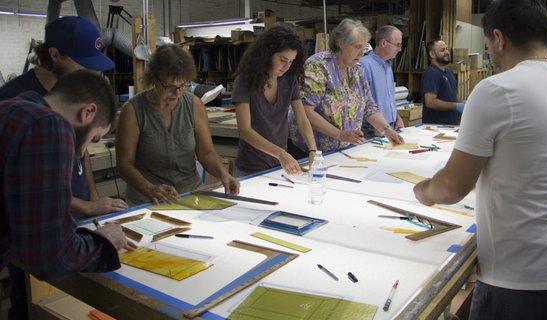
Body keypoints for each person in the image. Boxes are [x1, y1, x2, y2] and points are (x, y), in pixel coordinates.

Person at [413, 0, 547, 320]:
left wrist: (424, 191)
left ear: (498, 38)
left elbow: (453, 187)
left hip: (521, 280)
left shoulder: (497, 90)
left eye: (486, 43)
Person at [1, 71, 135, 320]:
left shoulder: (12, 108)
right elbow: (50, 258)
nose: (84, 149)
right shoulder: (49, 126)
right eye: (95, 138)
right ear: (87, 112)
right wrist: (103, 241)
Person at [0, 16, 127, 219]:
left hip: (77, 219)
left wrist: (92, 199)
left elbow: (81, 150)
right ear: (55, 55)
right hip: (41, 222)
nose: (92, 72)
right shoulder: (14, 102)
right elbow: (23, 185)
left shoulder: (79, 92)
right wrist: (84, 206)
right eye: (84, 64)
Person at [117, 44, 240, 206]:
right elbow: (124, 165)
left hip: (189, 194)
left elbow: (206, 153)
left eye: (183, 86)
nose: (177, 93)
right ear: (154, 79)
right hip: (148, 200)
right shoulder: (133, 110)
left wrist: (223, 174)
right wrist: (149, 188)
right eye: (170, 87)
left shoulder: (194, 105)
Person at [290, 19, 403, 153]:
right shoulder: (318, 66)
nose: (361, 53)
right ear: (341, 43)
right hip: (313, 150)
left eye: (363, 47)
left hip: (344, 148)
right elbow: (305, 111)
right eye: (357, 47)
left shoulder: (357, 69)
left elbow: (369, 106)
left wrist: (387, 131)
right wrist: (340, 134)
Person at [232, 26, 317, 176]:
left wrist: (313, 150)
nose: (286, 66)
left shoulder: (289, 80)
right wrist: (281, 153)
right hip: (250, 167)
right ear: (267, 54)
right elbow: (245, 130)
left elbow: (302, 119)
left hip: (278, 166)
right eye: (282, 60)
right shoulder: (245, 81)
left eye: (291, 61)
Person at [359, 26, 405, 136]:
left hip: (390, 126)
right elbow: (361, 102)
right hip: (372, 129)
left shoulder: (388, 66)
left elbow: (389, 98)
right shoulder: (364, 65)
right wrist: (378, 126)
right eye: (397, 45)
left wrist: (397, 117)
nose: (399, 49)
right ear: (384, 43)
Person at [421, 39, 463, 125]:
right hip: (435, 127)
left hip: (451, 124)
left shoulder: (449, 72)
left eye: (447, 49)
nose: (447, 52)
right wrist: (456, 106)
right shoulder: (431, 73)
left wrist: (461, 105)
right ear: (432, 54)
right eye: (442, 50)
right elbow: (430, 102)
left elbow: (453, 96)